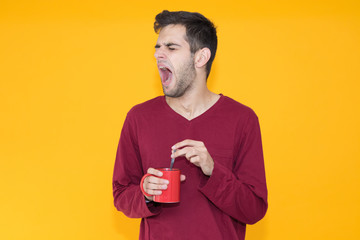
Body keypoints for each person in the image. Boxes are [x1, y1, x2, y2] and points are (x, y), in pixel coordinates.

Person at [113, 10, 268, 240]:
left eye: (171, 47)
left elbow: (254, 209)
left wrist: (213, 171)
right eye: (157, 48)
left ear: (200, 57)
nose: (158, 55)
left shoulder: (242, 119)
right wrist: (146, 193)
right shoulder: (139, 118)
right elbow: (121, 195)